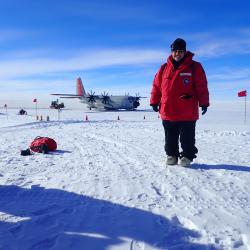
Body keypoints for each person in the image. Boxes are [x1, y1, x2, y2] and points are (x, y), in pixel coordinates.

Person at [150, 38, 209, 167]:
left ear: (185, 51)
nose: (178, 54)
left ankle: (187, 156)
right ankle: (171, 155)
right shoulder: (164, 68)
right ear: (172, 52)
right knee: (170, 137)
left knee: (187, 137)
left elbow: (202, 86)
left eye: (181, 51)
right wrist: (154, 101)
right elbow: (156, 86)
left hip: (187, 110)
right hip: (168, 109)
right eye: (175, 51)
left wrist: (204, 102)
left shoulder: (195, 67)